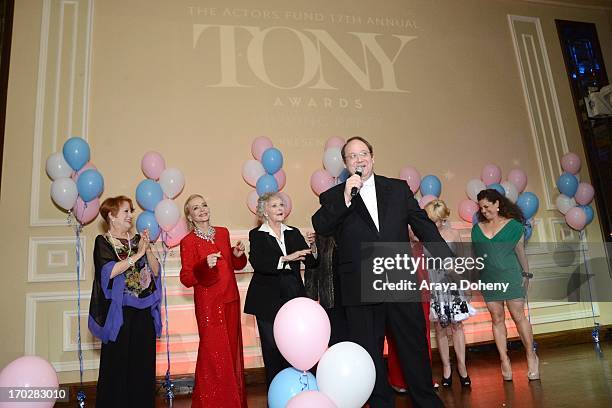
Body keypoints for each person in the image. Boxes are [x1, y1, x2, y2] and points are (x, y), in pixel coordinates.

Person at [312, 136, 452, 408]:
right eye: (352, 156)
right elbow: (321, 225)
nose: (359, 159)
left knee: (413, 346)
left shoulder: (398, 190)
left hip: (399, 279)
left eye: (363, 153)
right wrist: (344, 197)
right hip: (359, 286)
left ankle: (426, 401)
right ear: (345, 163)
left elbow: (422, 225)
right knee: (369, 353)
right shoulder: (334, 196)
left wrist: (446, 259)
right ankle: (380, 403)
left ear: (373, 158)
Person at [88, 195, 161, 407]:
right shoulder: (102, 242)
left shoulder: (138, 241)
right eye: (126, 211)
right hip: (119, 313)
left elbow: (155, 271)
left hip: (143, 310)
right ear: (111, 216)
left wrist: (146, 249)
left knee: (143, 364)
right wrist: (137, 256)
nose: (131, 215)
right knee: (117, 364)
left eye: (131, 211)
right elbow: (108, 271)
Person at [180, 194, 248, 407]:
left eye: (204, 205)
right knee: (213, 355)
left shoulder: (222, 233)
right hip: (209, 306)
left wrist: (236, 254)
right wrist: (203, 265)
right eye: (195, 208)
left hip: (231, 299)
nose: (202, 210)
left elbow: (233, 265)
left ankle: (234, 401)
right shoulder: (188, 242)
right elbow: (186, 277)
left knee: (231, 353)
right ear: (190, 217)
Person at [244, 192, 318, 388]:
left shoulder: (293, 232)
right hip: (267, 300)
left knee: (295, 345)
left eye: (282, 205)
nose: (280, 209)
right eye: (275, 206)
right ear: (264, 212)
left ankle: (298, 389)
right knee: (272, 348)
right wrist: (286, 258)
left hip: (293, 297)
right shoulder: (257, 235)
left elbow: (310, 261)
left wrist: (313, 246)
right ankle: (276, 391)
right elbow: (260, 263)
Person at [472, 189, 539, 381]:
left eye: (486, 206)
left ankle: (531, 356)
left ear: (497, 204)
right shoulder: (477, 229)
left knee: (519, 317)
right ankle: (504, 359)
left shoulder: (514, 226)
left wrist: (526, 274)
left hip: (511, 276)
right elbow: (477, 256)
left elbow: (520, 251)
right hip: (488, 279)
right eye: (480, 208)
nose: (483, 211)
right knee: (497, 319)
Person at [424, 199, 471, 387]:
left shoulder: (454, 234)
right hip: (435, 286)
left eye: (434, 219)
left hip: (453, 284)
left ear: (443, 219)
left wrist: (466, 285)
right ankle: (446, 368)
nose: (432, 223)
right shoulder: (424, 236)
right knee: (440, 328)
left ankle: (462, 367)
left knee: (457, 326)